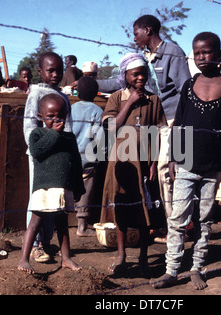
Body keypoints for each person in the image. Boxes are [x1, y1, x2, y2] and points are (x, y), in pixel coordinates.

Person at [151, 32, 221, 290]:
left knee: (205, 220)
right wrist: (172, 158)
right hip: (186, 164)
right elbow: (179, 123)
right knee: (178, 219)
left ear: (219, 55)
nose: (201, 58)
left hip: (213, 167)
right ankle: (171, 270)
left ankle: (196, 268)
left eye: (207, 52)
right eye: (197, 53)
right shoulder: (189, 85)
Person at [98, 15, 191, 237]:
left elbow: (185, 88)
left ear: (147, 30)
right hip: (152, 120)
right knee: (152, 175)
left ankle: (175, 228)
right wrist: (92, 82)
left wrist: (180, 125)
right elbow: (123, 80)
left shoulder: (172, 52)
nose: (134, 37)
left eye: (136, 33)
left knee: (165, 172)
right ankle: (162, 222)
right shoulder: (145, 58)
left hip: (171, 121)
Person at [101, 53, 166, 275]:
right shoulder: (116, 98)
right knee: (121, 209)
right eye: (135, 74)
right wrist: (129, 103)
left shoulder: (153, 100)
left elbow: (158, 132)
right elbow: (111, 126)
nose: (140, 78)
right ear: (125, 76)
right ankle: (121, 254)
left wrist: (154, 163)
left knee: (143, 209)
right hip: (120, 163)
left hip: (145, 161)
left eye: (143, 73)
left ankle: (144, 255)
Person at [18, 93, 85, 274]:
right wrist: (54, 133)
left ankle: (66, 258)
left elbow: (76, 162)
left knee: (62, 224)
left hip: (64, 187)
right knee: (36, 222)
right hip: (45, 188)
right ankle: (24, 259)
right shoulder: (38, 134)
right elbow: (38, 152)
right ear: (41, 117)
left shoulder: (69, 138)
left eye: (60, 116)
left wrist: (78, 186)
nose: (56, 120)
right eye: (50, 117)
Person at [23, 52, 72, 263]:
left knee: (55, 199)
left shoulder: (63, 96)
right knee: (38, 200)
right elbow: (29, 127)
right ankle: (34, 246)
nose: (55, 74)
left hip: (59, 158)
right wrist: (41, 147)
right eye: (50, 70)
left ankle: (46, 241)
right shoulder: (35, 94)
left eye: (59, 70)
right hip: (41, 156)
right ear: (40, 72)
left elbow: (68, 129)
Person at [71, 76, 104, 237]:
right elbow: (100, 137)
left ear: (78, 93)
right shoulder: (98, 111)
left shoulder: (71, 108)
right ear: (96, 94)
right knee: (86, 189)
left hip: (70, 155)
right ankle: (82, 226)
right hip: (88, 158)